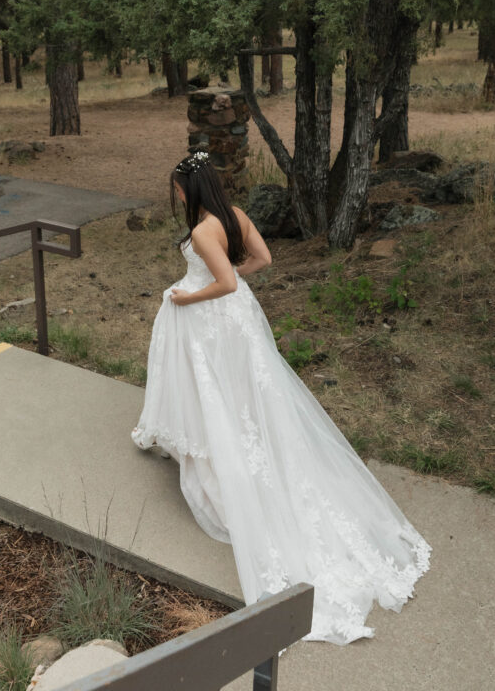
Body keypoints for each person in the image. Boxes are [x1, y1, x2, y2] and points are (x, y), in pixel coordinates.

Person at [131, 151, 431, 645]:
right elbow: (261, 261)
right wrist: (222, 280)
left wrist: (187, 296)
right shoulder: (235, 216)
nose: (177, 195)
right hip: (240, 318)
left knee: (217, 392)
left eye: (178, 188)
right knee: (245, 393)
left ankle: (221, 454)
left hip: (211, 318)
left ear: (190, 189)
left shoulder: (204, 231)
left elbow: (226, 282)